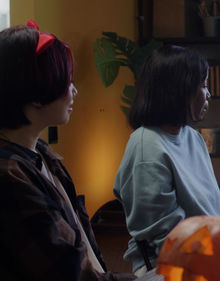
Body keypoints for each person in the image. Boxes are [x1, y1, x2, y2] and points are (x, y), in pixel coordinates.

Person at [0, 21, 136, 280]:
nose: (74, 90)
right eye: (66, 81)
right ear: (36, 93)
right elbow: (68, 272)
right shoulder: (9, 177)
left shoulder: (43, 156)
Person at [113, 45, 220, 276]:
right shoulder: (147, 148)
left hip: (209, 253)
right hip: (169, 266)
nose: (208, 94)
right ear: (178, 91)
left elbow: (210, 208)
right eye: (203, 85)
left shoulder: (192, 137)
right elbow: (166, 237)